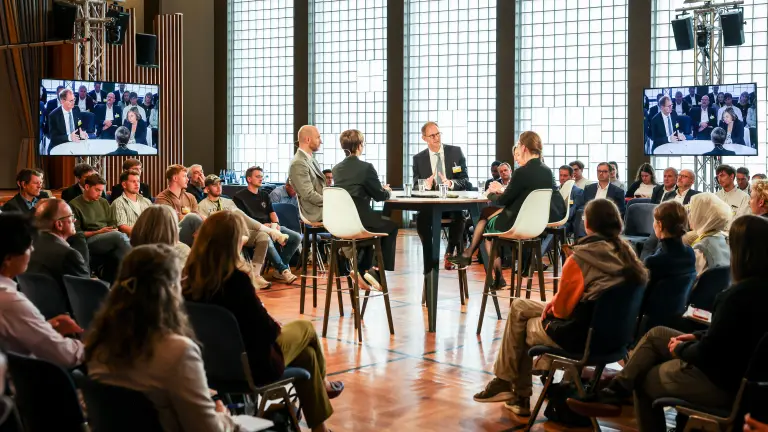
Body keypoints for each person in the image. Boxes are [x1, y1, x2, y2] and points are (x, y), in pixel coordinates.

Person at [568, 216, 768, 432]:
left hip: (723, 381)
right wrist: (697, 336)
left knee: (643, 377)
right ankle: (613, 392)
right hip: (749, 379)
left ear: (742, 252)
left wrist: (682, 348)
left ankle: (617, 394)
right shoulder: (757, 290)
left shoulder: (736, 296)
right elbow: (735, 334)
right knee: (657, 334)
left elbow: (709, 353)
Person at [472, 198, 647, 415]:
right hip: (615, 337)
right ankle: (510, 389)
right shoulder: (627, 256)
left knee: (523, 324)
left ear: (588, 224)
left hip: (580, 337)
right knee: (520, 306)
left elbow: (563, 312)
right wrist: (555, 303)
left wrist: (555, 306)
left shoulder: (581, 258)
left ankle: (514, 390)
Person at [182, 213, 343, 432]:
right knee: (305, 328)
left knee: (307, 356)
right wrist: (273, 323)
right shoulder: (235, 281)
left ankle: (320, 429)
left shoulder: (189, 279)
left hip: (211, 365)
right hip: (252, 366)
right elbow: (266, 332)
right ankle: (323, 385)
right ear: (233, 242)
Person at [85, 244, 238, 432]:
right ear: (171, 290)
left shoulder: (98, 343)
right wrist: (224, 418)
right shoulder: (178, 352)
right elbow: (205, 429)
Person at [449, 132, 558, 274]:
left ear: (524, 147)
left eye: (519, 145)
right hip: (537, 223)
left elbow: (503, 201)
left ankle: (484, 265)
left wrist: (490, 194)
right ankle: (469, 254)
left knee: (487, 229)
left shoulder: (521, 172)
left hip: (516, 223)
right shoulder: (548, 171)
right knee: (486, 214)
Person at [0, 212, 85, 368]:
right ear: (8, 259)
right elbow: (65, 355)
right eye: (28, 245)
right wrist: (95, 344)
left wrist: (45, 327)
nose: (32, 249)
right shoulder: (9, 300)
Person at [332, 129, 399, 291]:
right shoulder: (366, 168)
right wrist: (387, 190)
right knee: (391, 226)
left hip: (341, 221)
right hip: (361, 219)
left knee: (373, 229)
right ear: (360, 146)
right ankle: (375, 271)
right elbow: (379, 196)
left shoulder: (336, 169)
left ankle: (361, 270)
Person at [197, 174, 278, 289]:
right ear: (207, 188)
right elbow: (206, 227)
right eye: (215, 185)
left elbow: (241, 220)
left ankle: (256, 274)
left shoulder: (228, 202)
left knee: (263, 237)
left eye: (220, 184)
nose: (219, 187)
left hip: (238, 232)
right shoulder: (202, 206)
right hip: (220, 237)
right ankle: (271, 232)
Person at [412, 121, 470, 271]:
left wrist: (451, 183)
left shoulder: (455, 152)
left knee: (460, 217)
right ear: (424, 138)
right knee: (421, 220)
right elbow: (415, 186)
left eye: (438, 134)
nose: (436, 138)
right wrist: (425, 184)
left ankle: (450, 252)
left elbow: (465, 180)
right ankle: (429, 255)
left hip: (451, 204)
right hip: (430, 205)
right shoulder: (418, 159)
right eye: (432, 135)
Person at [234, 166, 301, 283]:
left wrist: (276, 224)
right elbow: (244, 220)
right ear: (249, 179)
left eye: (261, 176)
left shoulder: (264, 194)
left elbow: (272, 212)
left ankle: (278, 269)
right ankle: (283, 270)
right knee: (266, 238)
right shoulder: (239, 197)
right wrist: (266, 227)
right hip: (254, 230)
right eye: (258, 176)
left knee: (296, 237)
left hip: (271, 227)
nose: (261, 179)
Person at [69, 173, 131, 283]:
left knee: (118, 251)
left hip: (108, 236)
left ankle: (119, 286)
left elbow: (112, 223)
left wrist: (111, 230)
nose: (100, 194)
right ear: (87, 187)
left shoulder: (103, 202)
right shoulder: (74, 204)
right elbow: (76, 234)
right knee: (120, 237)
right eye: (97, 190)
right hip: (88, 240)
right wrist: (98, 232)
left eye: (101, 191)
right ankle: (138, 270)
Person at [28, 199, 90, 296]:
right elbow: (85, 294)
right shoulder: (69, 255)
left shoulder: (28, 246)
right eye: (71, 216)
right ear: (59, 225)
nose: (75, 220)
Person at [643, 201, 695, 297]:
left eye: (654, 221)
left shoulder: (653, 262)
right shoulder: (690, 252)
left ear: (660, 225)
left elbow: (642, 298)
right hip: (679, 310)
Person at [155, 165, 205, 247]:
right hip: (170, 235)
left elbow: (198, 215)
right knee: (192, 218)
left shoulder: (190, 197)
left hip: (190, 234)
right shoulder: (162, 198)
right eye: (184, 176)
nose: (187, 179)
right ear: (175, 178)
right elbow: (173, 219)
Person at [688, 192, 731, 275]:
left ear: (702, 215)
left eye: (692, 211)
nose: (689, 215)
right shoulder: (724, 238)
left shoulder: (700, 250)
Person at [289, 125, 326, 223]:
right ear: (308, 139)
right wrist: (331, 202)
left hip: (322, 206)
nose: (321, 141)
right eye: (318, 137)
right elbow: (308, 194)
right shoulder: (298, 163)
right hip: (314, 212)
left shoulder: (311, 160)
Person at [111, 170, 152, 236]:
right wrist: (144, 235)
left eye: (138, 181)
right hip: (131, 239)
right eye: (133, 181)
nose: (137, 184)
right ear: (124, 185)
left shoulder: (147, 202)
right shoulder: (118, 203)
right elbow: (123, 228)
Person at [558, 165, 585, 237]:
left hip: (568, 222)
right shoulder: (556, 191)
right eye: (560, 175)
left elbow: (573, 210)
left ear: (571, 176)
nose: (562, 178)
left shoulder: (578, 192)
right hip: (554, 220)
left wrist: (559, 220)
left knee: (557, 230)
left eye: (565, 176)